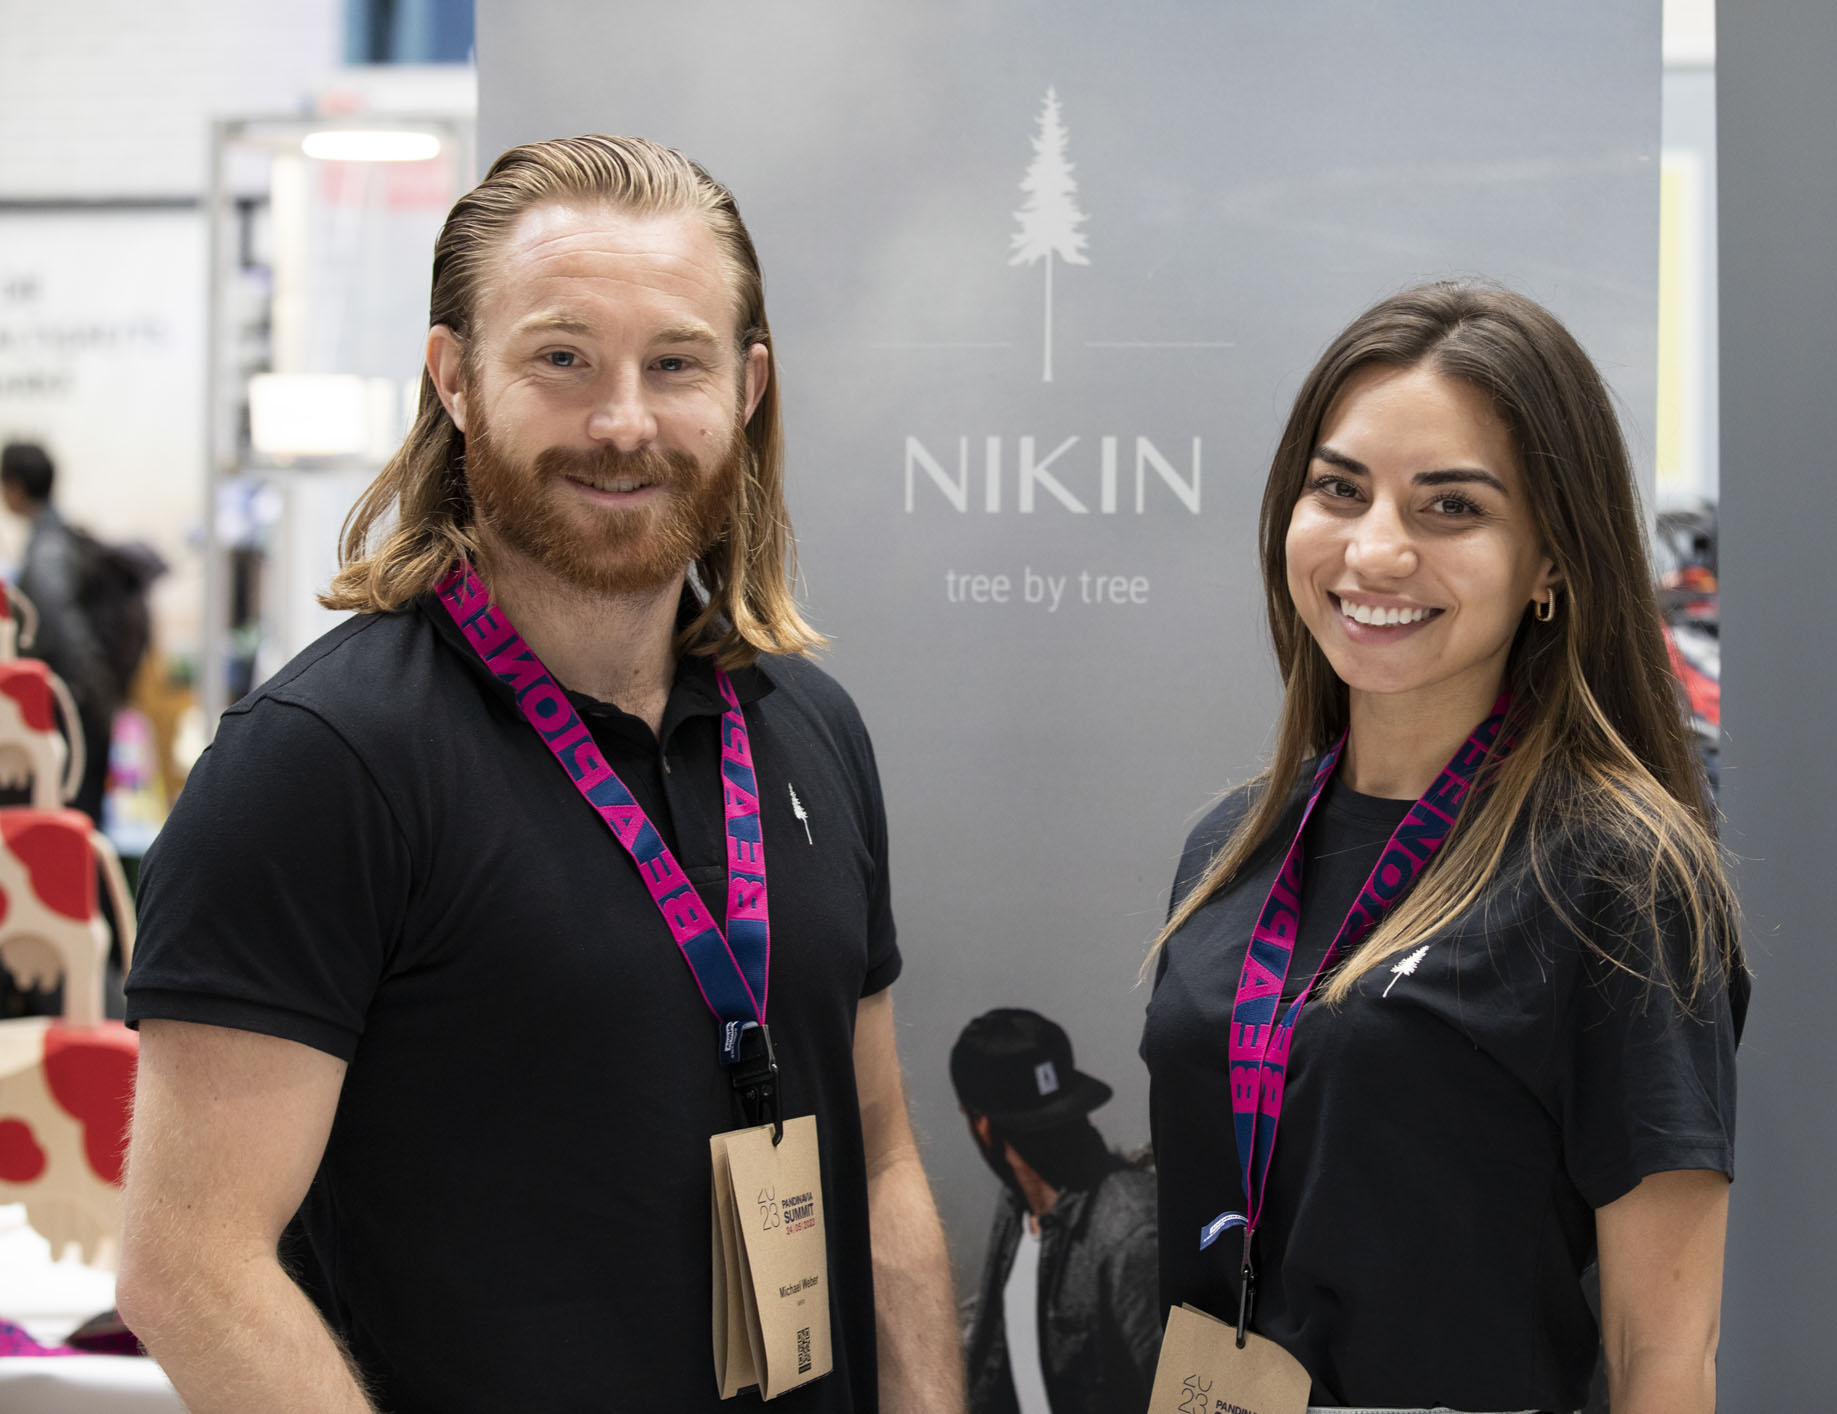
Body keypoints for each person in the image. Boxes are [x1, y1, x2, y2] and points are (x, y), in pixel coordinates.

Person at [116, 135, 964, 1414]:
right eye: (562, 359)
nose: (623, 422)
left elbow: (883, 1161)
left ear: (747, 387)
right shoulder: (323, 761)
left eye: (674, 363)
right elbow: (191, 1266)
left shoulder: (809, 728)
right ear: (455, 379)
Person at [1140, 283, 1747, 1414]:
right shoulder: (1230, 845)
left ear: (1551, 560)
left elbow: (1663, 1352)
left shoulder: (1614, 873)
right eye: (1339, 489)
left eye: (1451, 507)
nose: (1375, 550)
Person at [951, 1008, 1159, 1414]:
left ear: (980, 1125)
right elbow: (992, 1363)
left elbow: (1176, 1396)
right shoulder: (1017, 1207)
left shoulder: (1130, 1234)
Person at [2, 440, 122, 824]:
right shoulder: (60, 537)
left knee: (70, 821)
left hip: (74, 710)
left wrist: (81, 697)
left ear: (16, 486)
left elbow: (61, 628)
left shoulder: (47, 549)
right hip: (85, 702)